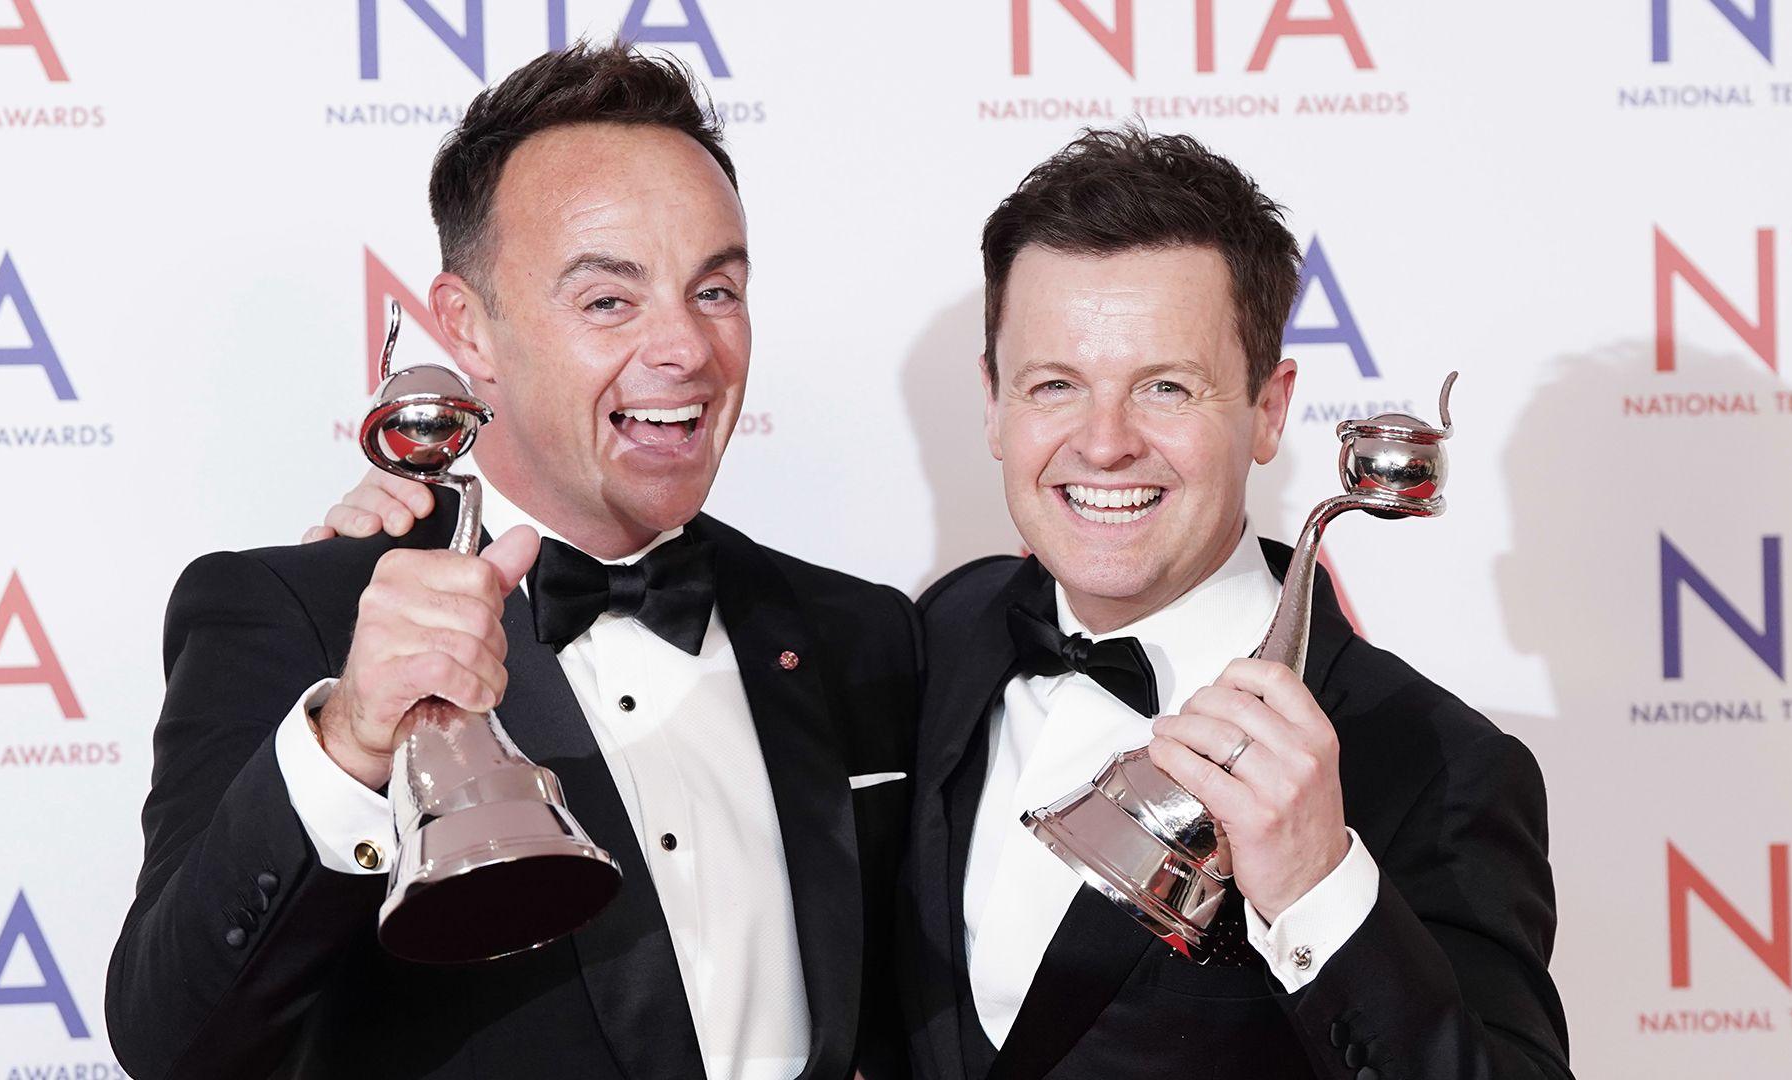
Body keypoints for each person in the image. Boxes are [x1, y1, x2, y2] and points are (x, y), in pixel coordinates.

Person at [320, 127, 1571, 1079]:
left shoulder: (1437, 765)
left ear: (1272, 409)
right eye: (1053, 385)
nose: (1105, 443)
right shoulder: (932, 643)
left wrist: (1316, 892)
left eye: (1170, 389)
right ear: (991, 402)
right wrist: (424, 514)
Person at [106, 44, 916, 1080]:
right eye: (609, 301)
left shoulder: (858, 633)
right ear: (468, 331)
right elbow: (177, 1043)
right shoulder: (299, 615)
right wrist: (351, 738)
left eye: (715, 290)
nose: (686, 349)